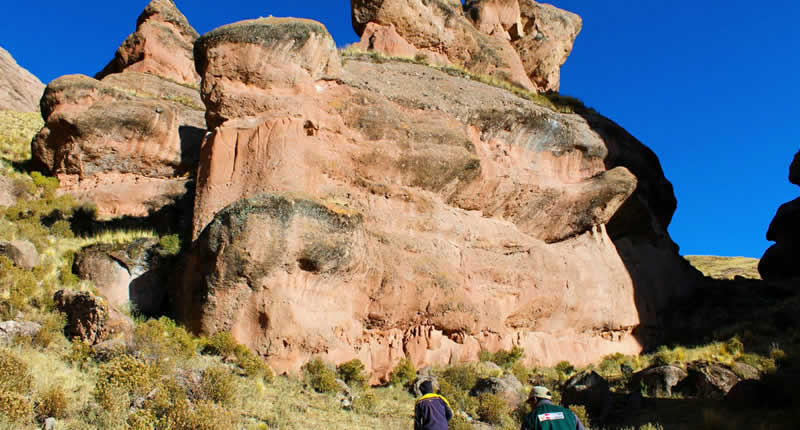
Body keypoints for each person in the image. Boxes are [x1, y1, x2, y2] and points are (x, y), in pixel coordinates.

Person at [521, 386, 587, 430]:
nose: (530, 406)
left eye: (530, 403)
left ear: (535, 400)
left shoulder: (531, 418)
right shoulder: (569, 414)